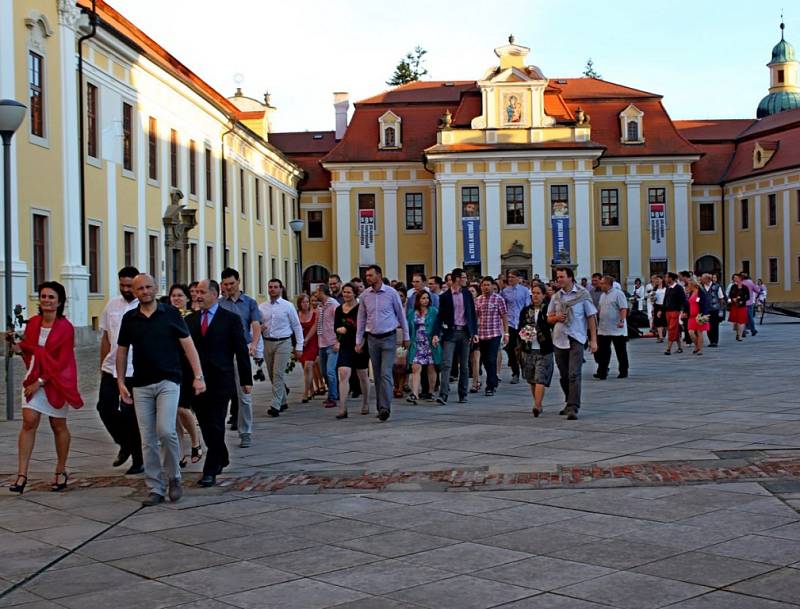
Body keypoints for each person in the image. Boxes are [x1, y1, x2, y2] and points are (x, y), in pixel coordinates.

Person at [116, 274, 206, 507]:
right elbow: (122, 351)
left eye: (148, 287)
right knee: (148, 439)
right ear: (134, 292)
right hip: (141, 384)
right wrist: (120, 381)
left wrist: (198, 376)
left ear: (156, 288)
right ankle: (155, 487)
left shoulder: (170, 314)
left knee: (166, 430)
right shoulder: (130, 319)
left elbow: (188, 346)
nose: (144, 291)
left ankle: (174, 476)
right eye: (140, 288)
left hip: (168, 380)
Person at [8, 282, 84, 494]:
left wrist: (40, 382)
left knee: (57, 425)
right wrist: (15, 345)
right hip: (33, 375)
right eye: (43, 296)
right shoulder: (33, 323)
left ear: (59, 302)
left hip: (57, 380)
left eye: (51, 297)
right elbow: (29, 351)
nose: (47, 300)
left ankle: (61, 469)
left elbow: (61, 361)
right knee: (29, 421)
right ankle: (22, 474)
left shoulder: (65, 328)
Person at [187, 280, 252, 487]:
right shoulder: (190, 320)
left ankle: (210, 468)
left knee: (216, 423)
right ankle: (221, 453)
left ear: (215, 294)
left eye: (202, 292)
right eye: (196, 292)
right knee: (206, 425)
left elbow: (241, 350)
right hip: (197, 382)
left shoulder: (230, 319)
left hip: (221, 381)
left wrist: (246, 379)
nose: (198, 296)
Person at [97, 266, 143, 475]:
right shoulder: (112, 305)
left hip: (134, 369)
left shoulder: (144, 306)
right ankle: (124, 442)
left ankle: (137, 458)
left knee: (129, 414)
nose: (126, 289)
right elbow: (106, 337)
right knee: (104, 407)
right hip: (111, 366)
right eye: (122, 285)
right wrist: (102, 364)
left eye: (129, 286)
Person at [356, 264, 409, 422]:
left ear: (379, 275)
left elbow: (401, 315)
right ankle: (381, 407)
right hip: (372, 338)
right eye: (366, 276)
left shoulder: (391, 293)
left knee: (386, 372)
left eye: (370, 275)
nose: (368, 278)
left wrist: (406, 336)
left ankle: (385, 407)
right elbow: (361, 319)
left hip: (389, 337)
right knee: (378, 374)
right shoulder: (365, 295)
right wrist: (358, 340)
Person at [547, 267, 598, 420]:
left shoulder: (582, 295)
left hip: (576, 337)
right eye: (558, 277)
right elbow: (549, 317)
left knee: (574, 373)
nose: (559, 280)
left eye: (562, 277)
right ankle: (569, 400)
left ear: (570, 278)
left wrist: (593, 339)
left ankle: (573, 407)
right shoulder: (556, 297)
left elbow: (591, 317)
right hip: (559, 338)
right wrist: (557, 318)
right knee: (563, 375)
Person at [218, 268, 261, 448]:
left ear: (238, 281)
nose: (229, 287)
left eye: (232, 283)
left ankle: (246, 432)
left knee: (244, 393)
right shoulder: (219, 304)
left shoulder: (249, 302)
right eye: (226, 284)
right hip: (222, 352)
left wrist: (254, 344)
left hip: (241, 350)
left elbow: (256, 324)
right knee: (220, 394)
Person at [168, 284, 202, 467]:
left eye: (180, 295)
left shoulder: (192, 318)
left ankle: (196, 442)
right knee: (172, 414)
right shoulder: (165, 316)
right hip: (170, 366)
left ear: (188, 298)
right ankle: (180, 453)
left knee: (182, 408)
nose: (176, 298)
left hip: (187, 367)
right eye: (173, 296)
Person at [259, 278, 304, 417]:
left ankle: (275, 405)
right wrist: (260, 329)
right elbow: (255, 326)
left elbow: (296, 326)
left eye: (275, 287)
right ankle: (283, 399)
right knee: (272, 374)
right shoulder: (262, 307)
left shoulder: (288, 306)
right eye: (270, 287)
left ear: (280, 289)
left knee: (278, 373)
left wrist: (299, 346)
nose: (272, 289)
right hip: (267, 342)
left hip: (284, 342)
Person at [436, 268, 478, 404]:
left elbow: (472, 314)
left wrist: (474, 332)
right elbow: (440, 316)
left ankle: (463, 394)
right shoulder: (445, 296)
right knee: (446, 364)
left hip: (465, 332)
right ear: (457, 279)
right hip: (451, 332)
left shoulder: (467, 294)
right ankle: (443, 394)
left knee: (465, 365)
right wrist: (436, 334)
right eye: (464, 277)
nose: (466, 280)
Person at [333, 283, 370, 418]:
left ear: (355, 293)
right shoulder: (338, 309)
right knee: (343, 373)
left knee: (363, 375)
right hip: (345, 345)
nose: (346, 295)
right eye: (344, 292)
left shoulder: (361, 308)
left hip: (359, 344)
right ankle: (342, 408)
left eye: (349, 292)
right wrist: (338, 330)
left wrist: (362, 343)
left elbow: (366, 327)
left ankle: (366, 402)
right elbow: (335, 326)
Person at [517, 283, 554, 416]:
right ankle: (538, 402)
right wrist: (524, 333)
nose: (535, 296)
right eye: (534, 293)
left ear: (544, 295)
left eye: (538, 293)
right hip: (528, 348)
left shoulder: (549, 309)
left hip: (544, 349)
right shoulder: (526, 310)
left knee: (540, 378)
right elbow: (520, 326)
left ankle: (537, 406)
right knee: (532, 379)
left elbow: (552, 325)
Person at [476, 276, 509, 397]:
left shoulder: (498, 299)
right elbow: (475, 317)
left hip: (494, 333)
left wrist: (506, 333)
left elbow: (504, 316)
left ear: (492, 286)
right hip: (482, 334)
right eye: (483, 285)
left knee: (491, 359)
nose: (486, 287)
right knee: (485, 360)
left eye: (488, 285)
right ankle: (493, 379)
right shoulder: (478, 300)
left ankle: (490, 385)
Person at [406, 291, 441, 404]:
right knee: (415, 367)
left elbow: (438, 326)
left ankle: (431, 392)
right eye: (423, 298)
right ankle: (415, 394)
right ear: (418, 300)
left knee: (431, 367)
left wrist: (437, 337)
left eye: (427, 298)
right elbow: (408, 327)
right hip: (417, 343)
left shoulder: (434, 311)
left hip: (429, 342)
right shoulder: (412, 313)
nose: (425, 300)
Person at [595, 275, 629, 379]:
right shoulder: (602, 295)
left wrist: (622, 320)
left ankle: (623, 371)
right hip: (604, 328)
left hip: (617, 328)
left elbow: (623, 308)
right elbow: (600, 309)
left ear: (608, 284)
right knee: (602, 351)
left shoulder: (618, 294)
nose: (600, 285)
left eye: (602, 283)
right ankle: (602, 371)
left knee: (620, 350)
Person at [501, 270, 530, 385]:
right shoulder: (505, 291)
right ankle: (515, 373)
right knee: (510, 348)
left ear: (519, 278)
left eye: (512, 277)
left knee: (526, 347)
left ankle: (525, 367)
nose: (510, 279)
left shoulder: (525, 290)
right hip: (510, 323)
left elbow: (528, 306)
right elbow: (503, 307)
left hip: (524, 323)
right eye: (509, 277)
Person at [316, 283, 340, 408]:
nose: (316, 294)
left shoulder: (334, 305)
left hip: (332, 342)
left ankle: (333, 397)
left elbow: (340, 322)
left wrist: (338, 341)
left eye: (317, 291)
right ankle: (333, 392)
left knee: (330, 371)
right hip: (322, 342)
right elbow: (317, 325)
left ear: (321, 292)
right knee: (324, 372)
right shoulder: (320, 307)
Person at [296, 293, 319, 403]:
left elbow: (315, 327)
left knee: (308, 365)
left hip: (312, 342)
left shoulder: (314, 313)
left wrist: (306, 340)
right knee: (305, 368)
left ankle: (305, 393)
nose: (305, 304)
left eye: (307, 302)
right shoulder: (297, 314)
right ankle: (311, 390)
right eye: (303, 302)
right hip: (300, 344)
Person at [663, 272, 687, 355]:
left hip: (675, 311)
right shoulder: (668, 287)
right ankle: (680, 347)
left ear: (671, 278)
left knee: (672, 329)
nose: (665, 279)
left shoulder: (679, 288)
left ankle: (668, 348)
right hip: (668, 311)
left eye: (667, 277)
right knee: (674, 329)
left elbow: (683, 300)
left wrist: (684, 311)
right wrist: (661, 310)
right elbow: (665, 299)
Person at [700, 273, 725, 347]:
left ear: (708, 279)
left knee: (715, 325)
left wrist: (721, 309)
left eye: (703, 278)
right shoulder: (701, 287)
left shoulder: (717, 286)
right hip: (705, 309)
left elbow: (721, 298)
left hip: (715, 309)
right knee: (708, 325)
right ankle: (711, 340)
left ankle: (714, 341)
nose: (701, 280)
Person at [686, 278, 710, 355]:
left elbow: (703, 304)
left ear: (693, 285)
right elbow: (688, 304)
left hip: (699, 315)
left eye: (689, 284)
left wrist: (703, 315)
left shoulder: (700, 293)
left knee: (699, 332)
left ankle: (700, 349)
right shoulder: (691, 293)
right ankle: (697, 346)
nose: (688, 286)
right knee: (691, 332)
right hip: (691, 316)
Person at [467, 284, 482, 393]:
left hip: (478, 332)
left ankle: (475, 382)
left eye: (473, 291)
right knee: (468, 360)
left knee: (475, 359)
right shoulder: (465, 303)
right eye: (469, 291)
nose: (471, 293)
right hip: (466, 333)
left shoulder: (479, 302)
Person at [728, 273, 750, 341]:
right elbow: (730, 295)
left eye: (736, 278)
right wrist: (733, 299)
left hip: (742, 306)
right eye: (734, 278)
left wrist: (742, 301)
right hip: (735, 305)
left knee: (742, 321)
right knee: (736, 321)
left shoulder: (745, 287)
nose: (735, 279)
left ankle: (740, 336)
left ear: (740, 279)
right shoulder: (733, 287)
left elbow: (748, 297)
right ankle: (738, 334)